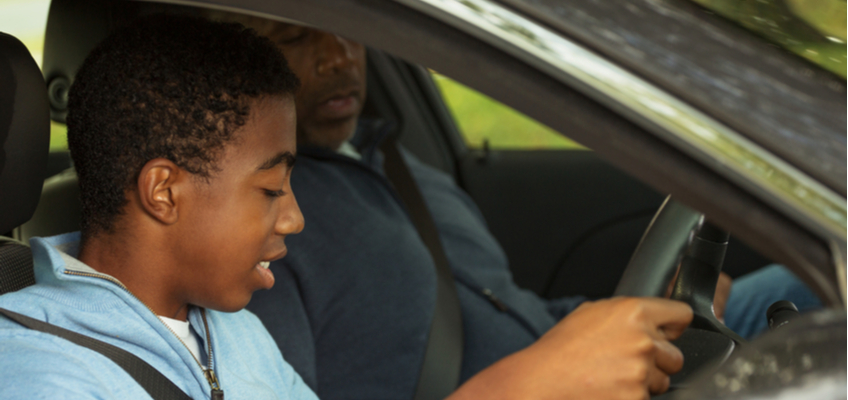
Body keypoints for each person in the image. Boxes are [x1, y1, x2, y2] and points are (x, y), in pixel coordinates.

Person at [222, 14, 824, 400]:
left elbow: (511, 308)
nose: (338, 57)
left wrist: (631, 312)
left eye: (350, 28)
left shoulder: (405, 167)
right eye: (296, 36)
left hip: (589, 365)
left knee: (813, 277)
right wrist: (541, 378)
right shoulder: (261, 229)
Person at [0, 15, 316, 399]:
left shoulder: (243, 335)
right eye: (271, 189)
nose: (294, 220)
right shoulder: (40, 374)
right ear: (164, 192)